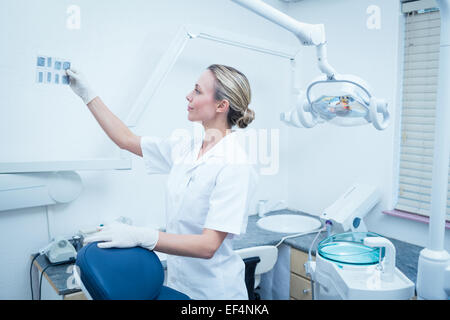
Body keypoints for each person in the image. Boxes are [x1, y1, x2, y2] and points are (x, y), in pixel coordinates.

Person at [66, 64, 258, 300]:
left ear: (221, 105)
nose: (188, 95)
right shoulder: (186, 147)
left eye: (197, 91)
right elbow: (126, 140)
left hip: (215, 293)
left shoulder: (235, 164)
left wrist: (143, 236)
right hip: (179, 286)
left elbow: (208, 245)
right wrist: (88, 95)